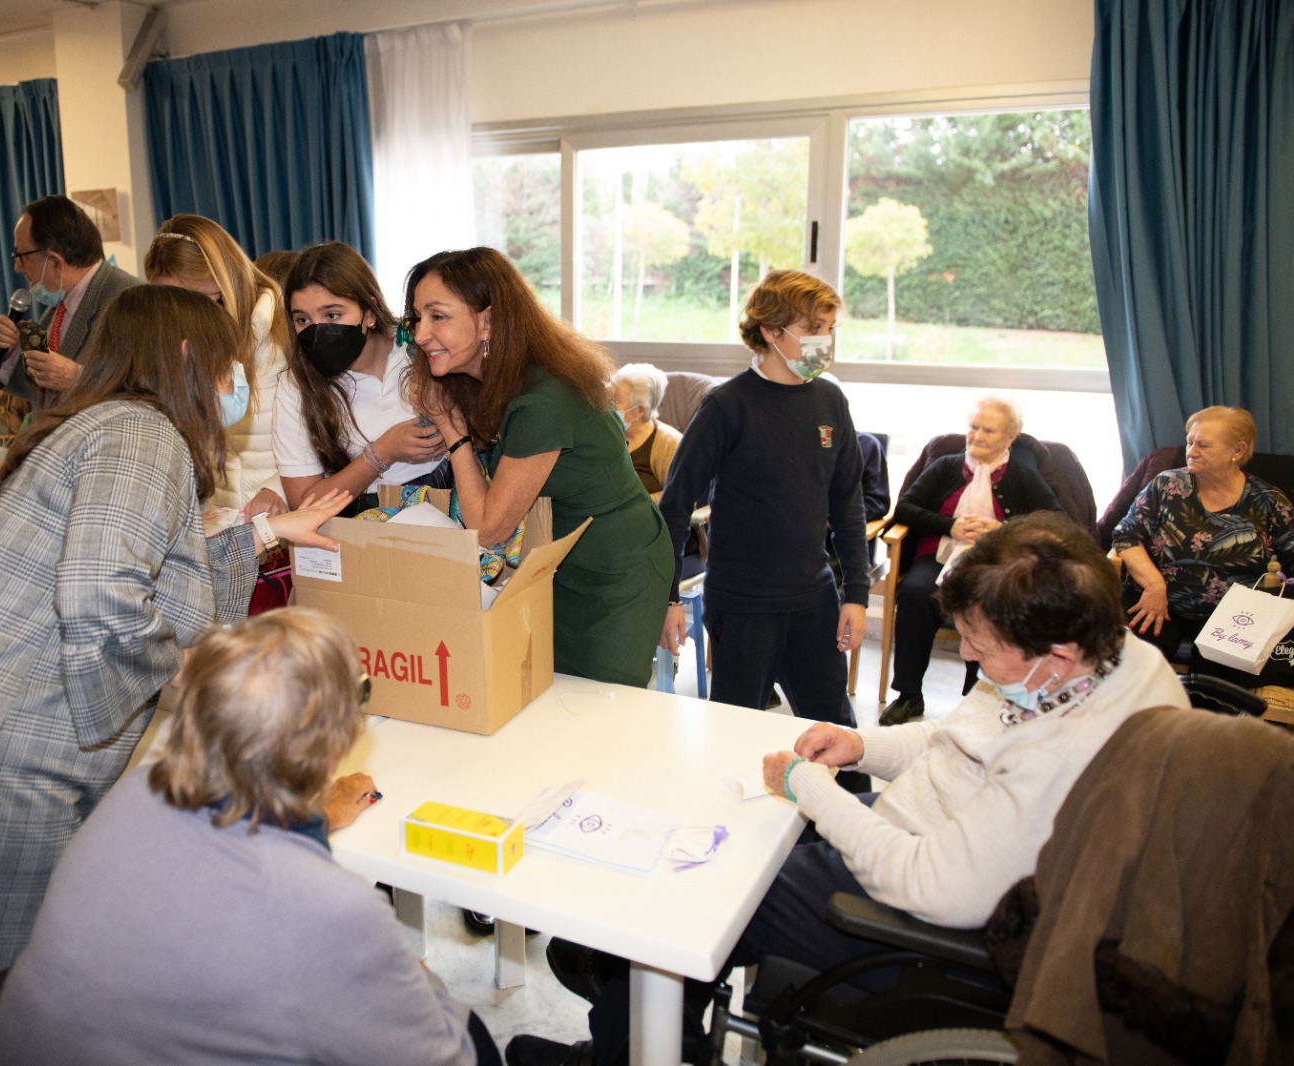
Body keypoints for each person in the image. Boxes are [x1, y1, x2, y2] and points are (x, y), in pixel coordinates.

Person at [0, 286, 350, 1023]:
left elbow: (143, 563)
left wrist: (267, 535)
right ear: (185, 357)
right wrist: (195, 682)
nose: (235, 386)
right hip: (1, 739)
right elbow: (103, 593)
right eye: (228, 367)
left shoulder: (93, 426)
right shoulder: (145, 435)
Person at [507, 512, 1191, 1066]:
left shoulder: (1069, 755)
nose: (971, 658)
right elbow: (964, 740)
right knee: (721, 824)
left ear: (1058, 654)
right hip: (923, 830)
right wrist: (863, 746)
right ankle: (642, 1019)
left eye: (979, 645)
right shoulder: (1110, 659)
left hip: (913, 906)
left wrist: (815, 793)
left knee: (691, 894)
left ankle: (624, 1037)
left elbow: (930, 885)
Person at [0, 609, 499, 1066]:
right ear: (332, 743)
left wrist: (315, 814)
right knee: (475, 1035)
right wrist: (411, 976)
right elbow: (447, 1058)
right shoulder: (330, 910)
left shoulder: (135, 793)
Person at [407, 247, 674, 688]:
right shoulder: (498, 381)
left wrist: (453, 432)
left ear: (489, 321)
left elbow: (489, 526)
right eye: (416, 318)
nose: (420, 334)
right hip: (558, 560)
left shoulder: (542, 400)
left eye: (437, 316)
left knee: (599, 713)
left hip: (615, 570)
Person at [656, 270, 866, 727]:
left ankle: (854, 803)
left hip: (814, 598)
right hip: (743, 605)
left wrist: (857, 594)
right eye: (813, 329)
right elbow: (675, 507)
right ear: (772, 332)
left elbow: (848, 504)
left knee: (837, 731)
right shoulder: (727, 406)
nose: (825, 341)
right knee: (736, 734)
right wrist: (667, 598)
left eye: (831, 329)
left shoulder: (831, 401)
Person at [880, 398, 1061, 726]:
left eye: (987, 430)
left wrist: (1003, 530)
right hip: (939, 555)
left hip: (994, 562)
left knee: (995, 599)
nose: (976, 436)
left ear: (1010, 437)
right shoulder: (946, 466)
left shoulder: (1023, 476)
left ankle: (981, 692)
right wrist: (950, 525)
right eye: (973, 427)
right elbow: (906, 507)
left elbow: (1055, 520)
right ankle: (908, 695)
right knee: (917, 594)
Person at [1112, 405, 1294, 677]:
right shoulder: (1166, 486)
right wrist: (1154, 584)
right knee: (1131, 663)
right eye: (1190, 442)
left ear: (1237, 451)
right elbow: (1126, 535)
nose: (1191, 451)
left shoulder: (1268, 500)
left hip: (1234, 617)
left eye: (1203, 445)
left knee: (1218, 676)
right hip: (1155, 599)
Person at [273, 242, 445, 514]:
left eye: (332, 314)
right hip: (364, 522)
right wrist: (382, 453)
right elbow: (305, 504)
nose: (318, 331)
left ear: (369, 313)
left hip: (448, 506)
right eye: (303, 320)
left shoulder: (422, 349)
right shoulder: (296, 385)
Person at [145, 213, 290, 517]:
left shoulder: (283, 333)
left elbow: (323, 441)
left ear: (224, 283)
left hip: (283, 515)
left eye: (198, 302)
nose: (185, 318)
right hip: (221, 523)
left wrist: (276, 488)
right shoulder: (180, 343)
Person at [0, 193, 141, 410]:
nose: (17, 267)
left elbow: (147, 389)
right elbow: (42, 392)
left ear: (55, 261)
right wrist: (11, 353)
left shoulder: (130, 298)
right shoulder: (58, 306)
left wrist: (76, 379)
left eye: (22, 256)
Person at [611, 362, 680, 500]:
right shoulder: (607, 433)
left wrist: (632, 506)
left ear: (640, 410)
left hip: (644, 519)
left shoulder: (670, 444)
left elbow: (680, 497)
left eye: (616, 400)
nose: (608, 405)